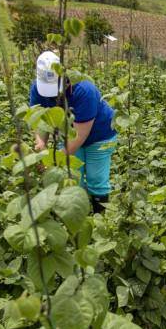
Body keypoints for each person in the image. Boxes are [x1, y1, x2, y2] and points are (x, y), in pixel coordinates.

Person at [29, 50, 117, 214]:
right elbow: (40, 119)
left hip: (100, 135)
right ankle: (80, 216)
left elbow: (78, 137)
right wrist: (41, 145)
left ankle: (99, 219)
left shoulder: (84, 90)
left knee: (96, 179)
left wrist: (53, 161)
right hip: (69, 134)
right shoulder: (37, 89)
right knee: (73, 178)